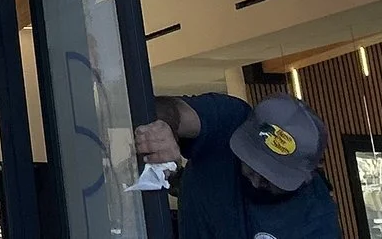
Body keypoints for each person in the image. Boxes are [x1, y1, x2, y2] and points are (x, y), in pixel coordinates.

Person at [132, 92, 340, 238]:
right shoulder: (230, 121)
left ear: (306, 177)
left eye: (273, 177)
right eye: (252, 162)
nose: (256, 181)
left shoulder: (317, 221)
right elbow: (169, 109)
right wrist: (163, 128)